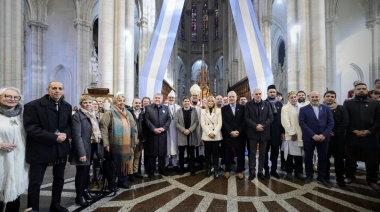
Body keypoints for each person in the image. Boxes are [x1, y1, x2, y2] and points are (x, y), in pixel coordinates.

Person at [23, 81, 72, 212]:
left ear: (63, 91)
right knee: (36, 182)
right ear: (47, 89)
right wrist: (53, 137)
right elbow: (31, 128)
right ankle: (34, 209)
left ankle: (55, 205)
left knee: (59, 179)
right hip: (40, 148)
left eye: (60, 88)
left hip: (60, 149)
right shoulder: (33, 105)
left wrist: (65, 134)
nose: (57, 91)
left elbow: (69, 125)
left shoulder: (67, 106)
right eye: (54, 88)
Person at [344, 83, 380, 192]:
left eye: (364, 89)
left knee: (372, 160)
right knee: (350, 159)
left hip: (370, 137)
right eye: (358, 89)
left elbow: (378, 120)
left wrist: (369, 131)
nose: (361, 91)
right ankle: (350, 176)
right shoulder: (348, 103)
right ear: (354, 91)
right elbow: (346, 120)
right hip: (352, 136)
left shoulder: (375, 103)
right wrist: (354, 131)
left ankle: (372, 180)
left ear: (367, 90)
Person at [70, 95, 102, 206]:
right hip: (82, 148)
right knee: (81, 173)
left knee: (87, 172)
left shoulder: (93, 115)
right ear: (81, 104)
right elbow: (76, 136)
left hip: (92, 146)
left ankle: (85, 191)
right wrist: (81, 153)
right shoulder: (77, 116)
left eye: (89, 102)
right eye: (85, 103)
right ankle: (79, 197)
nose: (88, 104)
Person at [0, 87, 28, 212]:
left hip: (18, 159)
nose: (12, 99)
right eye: (8, 96)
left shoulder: (21, 115)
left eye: (16, 97)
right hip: (1, 157)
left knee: (14, 192)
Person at [299, 91, 334, 188]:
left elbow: (331, 123)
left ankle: (321, 177)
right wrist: (313, 135)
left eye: (316, 97)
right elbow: (302, 123)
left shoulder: (326, 108)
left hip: (323, 138)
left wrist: (324, 134)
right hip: (309, 138)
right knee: (308, 158)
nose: (314, 98)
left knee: (323, 158)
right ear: (309, 98)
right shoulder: (303, 109)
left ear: (320, 98)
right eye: (312, 97)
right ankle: (309, 175)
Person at [100, 93, 136, 189]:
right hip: (114, 143)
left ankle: (122, 181)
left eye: (123, 101)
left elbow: (134, 127)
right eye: (120, 101)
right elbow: (103, 127)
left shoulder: (128, 113)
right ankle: (111, 183)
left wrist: (134, 141)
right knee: (114, 164)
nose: (122, 103)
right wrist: (106, 144)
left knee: (125, 162)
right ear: (115, 102)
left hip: (126, 144)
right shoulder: (110, 113)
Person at [245, 88, 273, 181]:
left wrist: (263, 126)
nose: (258, 95)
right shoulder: (248, 105)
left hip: (264, 133)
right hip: (253, 133)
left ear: (262, 94)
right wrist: (256, 126)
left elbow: (270, 117)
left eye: (260, 94)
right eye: (256, 94)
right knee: (252, 153)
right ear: (253, 95)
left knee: (262, 154)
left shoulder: (267, 104)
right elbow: (247, 118)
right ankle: (252, 172)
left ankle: (260, 172)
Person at [323, 90, 348, 187]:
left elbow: (345, 122)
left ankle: (340, 178)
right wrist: (327, 132)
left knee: (339, 159)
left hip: (338, 138)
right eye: (328, 96)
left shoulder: (341, 108)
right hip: (325, 137)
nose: (330, 98)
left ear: (335, 98)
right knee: (325, 158)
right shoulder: (320, 108)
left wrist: (335, 132)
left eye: (332, 96)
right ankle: (325, 176)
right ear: (324, 97)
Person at [144, 93, 171, 177]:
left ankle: (162, 170)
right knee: (152, 154)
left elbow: (168, 119)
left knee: (162, 154)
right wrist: (153, 129)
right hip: (152, 135)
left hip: (162, 135)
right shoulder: (148, 108)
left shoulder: (166, 108)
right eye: (156, 97)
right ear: (153, 98)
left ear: (162, 99)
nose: (157, 99)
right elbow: (146, 120)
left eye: (159, 98)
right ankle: (151, 172)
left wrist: (164, 128)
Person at [221, 91, 245, 180]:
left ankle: (240, 171)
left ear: (236, 97)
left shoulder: (242, 108)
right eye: (229, 97)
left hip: (240, 134)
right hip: (228, 134)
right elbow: (223, 122)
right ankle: (227, 170)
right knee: (227, 152)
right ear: (228, 98)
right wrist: (231, 131)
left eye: (233, 96)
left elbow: (243, 121)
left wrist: (238, 131)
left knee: (240, 153)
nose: (231, 98)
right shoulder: (224, 109)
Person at [281, 91, 304, 181]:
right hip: (291, 135)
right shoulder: (285, 108)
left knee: (299, 155)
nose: (294, 99)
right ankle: (289, 172)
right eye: (292, 97)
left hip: (301, 135)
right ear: (288, 99)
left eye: (295, 97)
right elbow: (285, 122)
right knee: (289, 155)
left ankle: (298, 172)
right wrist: (292, 133)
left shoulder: (301, 107)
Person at [175, 97, 199, 176]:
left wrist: (190, 130)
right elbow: (176, 123)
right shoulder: (179, 111)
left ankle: (192, 169)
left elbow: (196, 121)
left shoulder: (194, 110)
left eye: (187, 101)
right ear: (182, 102)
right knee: (181, 153)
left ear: (190, 102)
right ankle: (181, 169)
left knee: (191, 153)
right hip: (182, 134)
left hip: (191, 134)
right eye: (185, 101)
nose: (186, 102)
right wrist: (183, 130)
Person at [264, 85, 284, 179]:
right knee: (265, 152)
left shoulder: (279, 104)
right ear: (267, 93)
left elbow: (282, 120)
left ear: (276, 93)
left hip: (277, 132)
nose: (272, 93)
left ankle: (274, 170)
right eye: (270, 92)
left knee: (275, 152)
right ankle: (266, 170)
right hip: (266, 132)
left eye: (274, 92)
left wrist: (282, 132)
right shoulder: (263, 103)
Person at [201, 96, 223, 179]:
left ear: (214, 102)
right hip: (206, 136)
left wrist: (213, 133)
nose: (210, 103)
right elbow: (202, 124)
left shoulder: (218, 110)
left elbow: (219, 123)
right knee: (207, 154)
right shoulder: (203, 111)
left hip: (216, 136)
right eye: (209, 101)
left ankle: (216, 170)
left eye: (212, 101)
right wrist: (209, 133)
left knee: (215, 154)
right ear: (207, 102)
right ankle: (208, 169)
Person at [127, 98, 145, 180]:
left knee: (138, 156)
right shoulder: (128, 112)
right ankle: (130, 173)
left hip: (140, 138)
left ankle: (135, 171)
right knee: (131, 156)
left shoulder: (143, 113)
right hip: (132, 137)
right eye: (136, 103)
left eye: (139, 103)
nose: (138, 104)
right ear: (132, 103)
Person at [165, 90, 181, 173]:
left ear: (175, 99)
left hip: (175, 129)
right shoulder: (164, 106)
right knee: (167, 146)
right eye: (170, 97)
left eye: (172, 98)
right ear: (167, 98)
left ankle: (175, 164)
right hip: (166, 129)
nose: (171, 99)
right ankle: (166, 164)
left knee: (175, 146)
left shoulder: (178, 107)